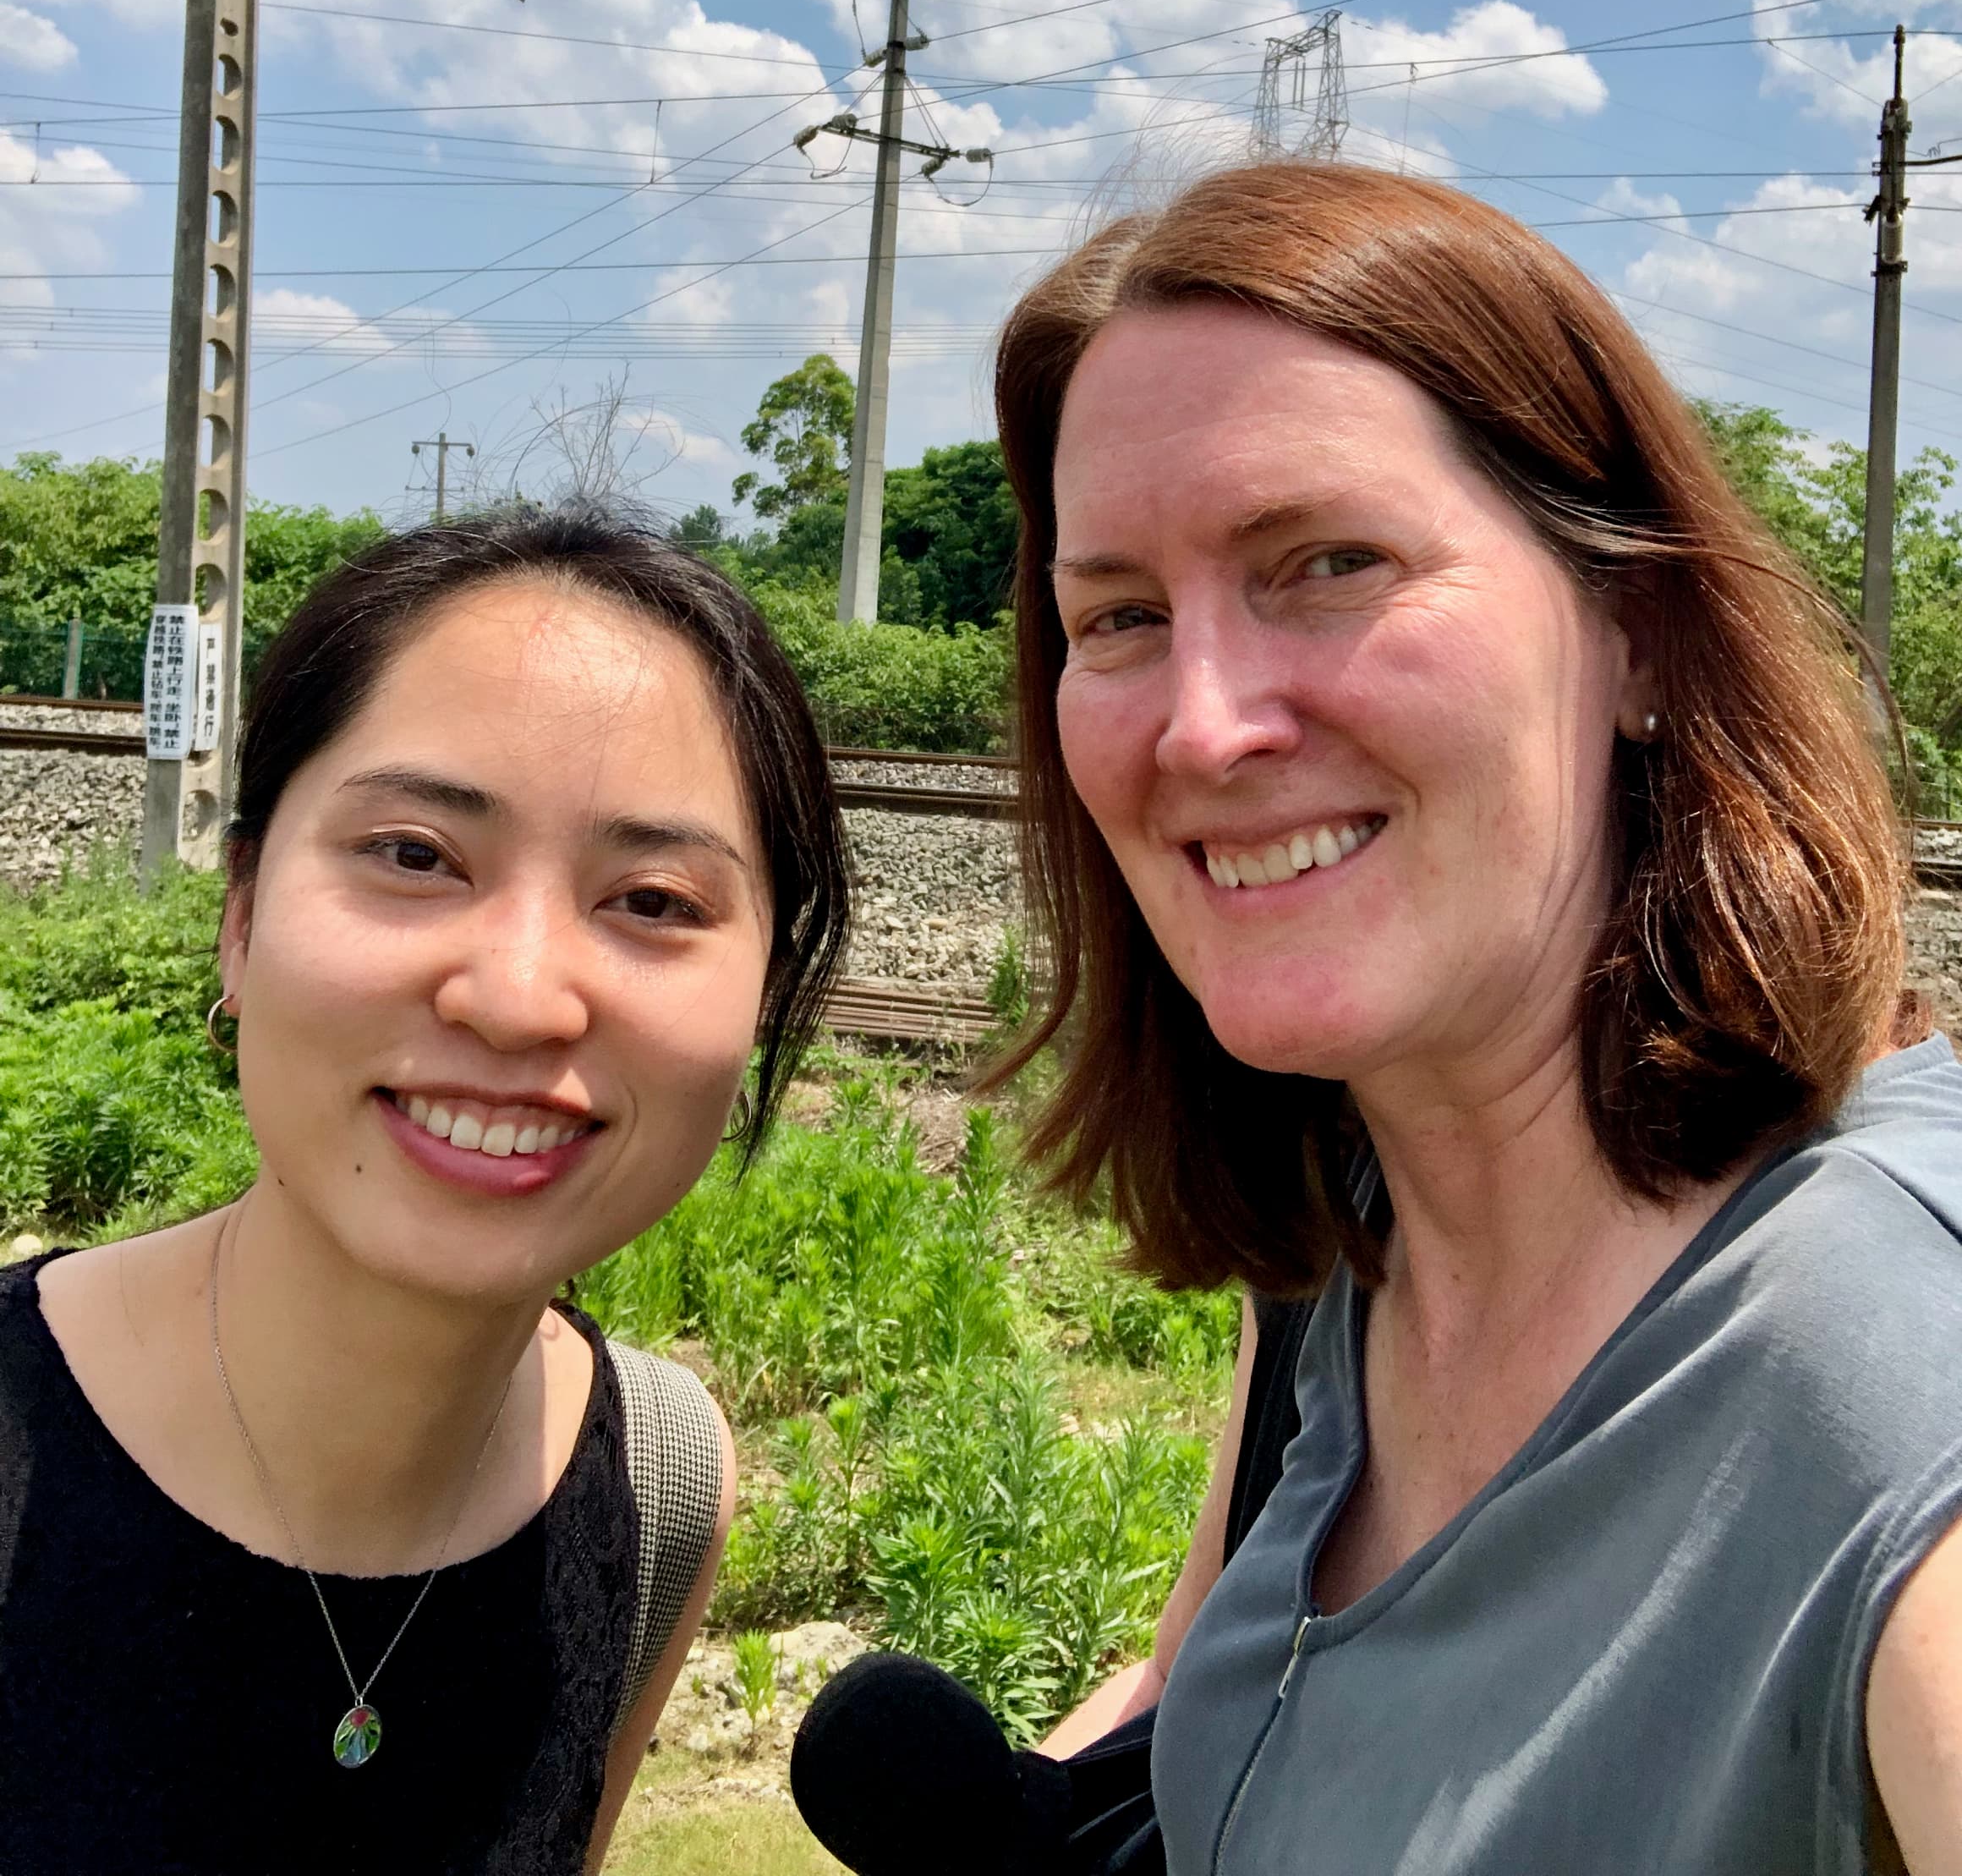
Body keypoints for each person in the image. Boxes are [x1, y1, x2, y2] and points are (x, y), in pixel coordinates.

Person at [989, 160, 1962, 1873]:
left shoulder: (1889, 1356)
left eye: (1326, 562)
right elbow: (1214, 1693)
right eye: (1119, 615)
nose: (1202, 725)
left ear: (1637, 630)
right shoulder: (1340, 1248)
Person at [0, 506, 850, 1875]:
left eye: (651, 900)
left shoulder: (662, 1485)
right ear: (241, 911)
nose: (519, 999)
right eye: (413, 855)